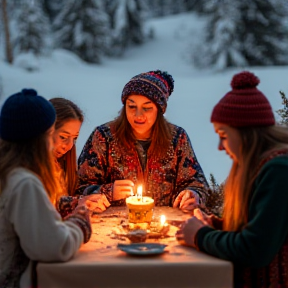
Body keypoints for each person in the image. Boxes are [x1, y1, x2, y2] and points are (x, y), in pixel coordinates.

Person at [176, 71, 288, 287]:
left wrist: (201, 236)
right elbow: (263, 226)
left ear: (246, 133)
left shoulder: (278, 172)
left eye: (224, 135)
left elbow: (255, 250)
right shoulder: (262, 167)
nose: (220, 146)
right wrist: (218, 226)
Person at [77, 70, 209, 213]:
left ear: (159, 110)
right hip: (112, 225)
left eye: (147, 108)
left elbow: (198, 184)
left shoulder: (177, 138)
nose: (138, 115)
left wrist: (192, 195)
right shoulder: (103, 137)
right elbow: (79, 189)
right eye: (132, 106)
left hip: (166, 224)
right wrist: (109, 191)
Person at [0, 89, 91, 288]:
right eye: (52, 134)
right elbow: (52, 246)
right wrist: (79, 225)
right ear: (38, 138)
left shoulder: (8, 172)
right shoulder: (24, 183)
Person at [49, 98, 86, 217]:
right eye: (64, 137)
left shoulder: (63, 165)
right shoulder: (28, 168)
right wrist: (76, 204)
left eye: (74, 138)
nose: (69, 145)